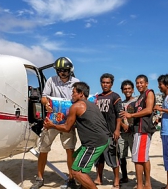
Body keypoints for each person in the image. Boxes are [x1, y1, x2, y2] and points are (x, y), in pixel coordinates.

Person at [43, 82, 111, 189]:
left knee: (76, 172)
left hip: (94, 143)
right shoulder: (92, 105)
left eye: (73, 92)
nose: (71, 95)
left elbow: (66, 128)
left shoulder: (76, 106)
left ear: (81, 93)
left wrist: (52, 125)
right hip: (102, 139)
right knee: (74, 157)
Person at [31, 57, 79, 189]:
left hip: (68, 121)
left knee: (70, 150)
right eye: (60, 70)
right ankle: (39, 178)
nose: (62, 72)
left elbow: (80, 99)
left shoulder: (76, 82)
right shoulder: (51, 80)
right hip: (52, 120)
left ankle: (71, 178)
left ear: (70, 70)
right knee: (43, 149)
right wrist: (47, 104)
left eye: (65, 70)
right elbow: (44, 98)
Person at [120, 74, 156, 189]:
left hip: (143, 129)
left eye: (141, 82)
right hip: (137, 130)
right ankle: (146, 184)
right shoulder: (140, 97)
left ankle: (141, 185)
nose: (139, 84)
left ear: (146, 83)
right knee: (142, 157)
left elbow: (149, 109)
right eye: (138, 83)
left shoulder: (149, 92)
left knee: (138, 159)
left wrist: (131, 114)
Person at [94, 73, 121, 188]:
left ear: (111, 84)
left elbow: (119, 115)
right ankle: (99, 178)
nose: (105, 85)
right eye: (103, 82)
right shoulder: (97, 97)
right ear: (101, 83)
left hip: (111, 132)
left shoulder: (115, 97)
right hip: (99, 133)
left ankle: (116, 180)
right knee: (99, 158)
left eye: (107, 83)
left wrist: (117, 130)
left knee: (113, 156)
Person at [118, 80, 137, 184]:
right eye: (125, 89)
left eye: (129, 88)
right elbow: (118, 117)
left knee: (136, 156)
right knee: (121, 155)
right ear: (122, 90)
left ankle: (138, 178)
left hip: (134, 133)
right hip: (122, 133)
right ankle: (125, 176)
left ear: (133, 90)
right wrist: (122, 125)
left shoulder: (137, 101)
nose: (127, 90)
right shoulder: (120, 103)